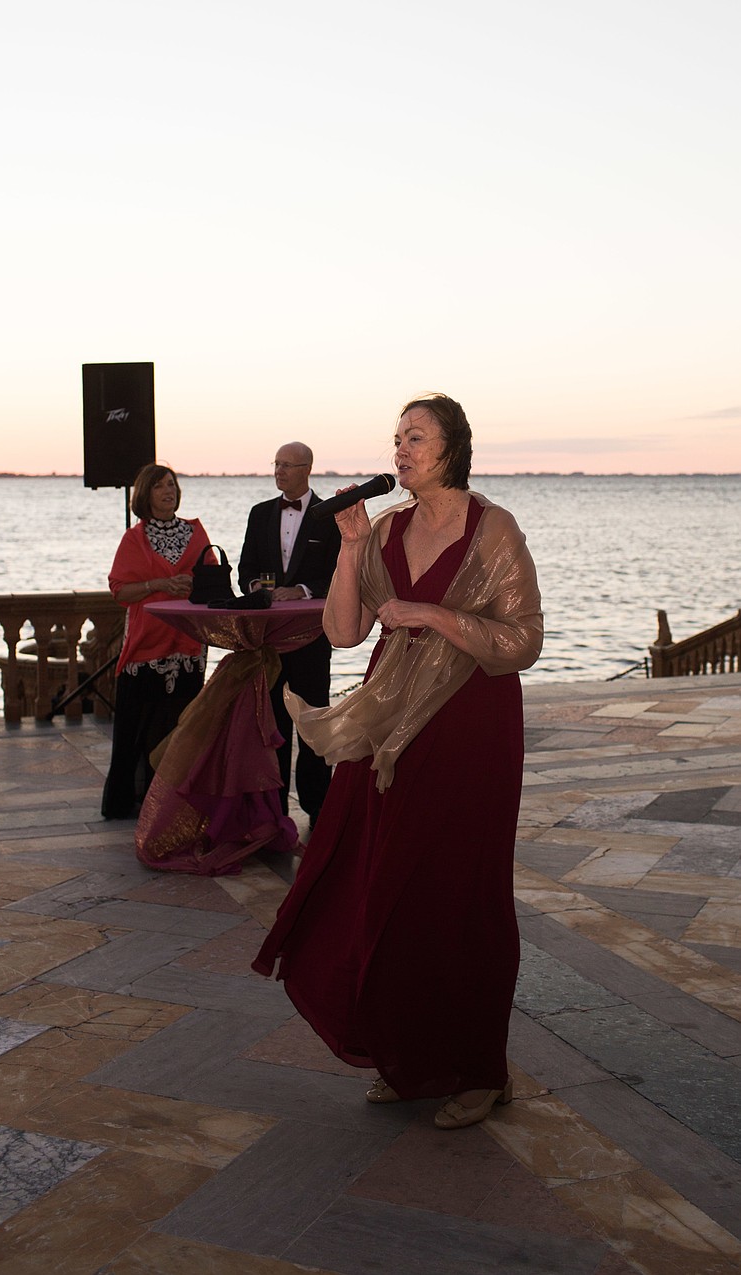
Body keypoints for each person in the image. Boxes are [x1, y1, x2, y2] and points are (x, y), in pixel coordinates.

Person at [253, 395, 543, 1130]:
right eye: (397, 437)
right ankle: (405, 1053)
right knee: (380, 882)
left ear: (453, 447)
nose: (401, 449)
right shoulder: (384, 527)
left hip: (471, 724)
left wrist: (434, 615)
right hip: (388, 728)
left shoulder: (494, 528)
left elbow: (524, 641)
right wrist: (351, 549)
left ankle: (480, 1069)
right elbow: (345, 630)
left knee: (460, 889)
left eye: (416, 437)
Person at [238, 442, 341, 829]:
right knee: (272, 728)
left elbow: (337, 574)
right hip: (269, 639)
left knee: (313, 724)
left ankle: (319, 809)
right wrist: (256, 589)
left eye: (287, 465)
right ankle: (272, 812)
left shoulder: (328, 516)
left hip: (313, 637)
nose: (279, 471)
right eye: (276, 464)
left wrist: (301, 591)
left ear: (307, 468)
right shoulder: (260, 513)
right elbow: (246, 565)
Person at [101, 463, 213, 819]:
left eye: (172, 485)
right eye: (161, 486)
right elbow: (120, 590)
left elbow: (213, 580)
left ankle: (173, 802)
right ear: (145, 494)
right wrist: (159, 585)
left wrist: (192, 584)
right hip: (144, 648)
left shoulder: (196, 533)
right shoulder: (134, 539)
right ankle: (127, 802)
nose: (169, 491)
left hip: (187, 646)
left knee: (181, 731)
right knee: (134, 731)